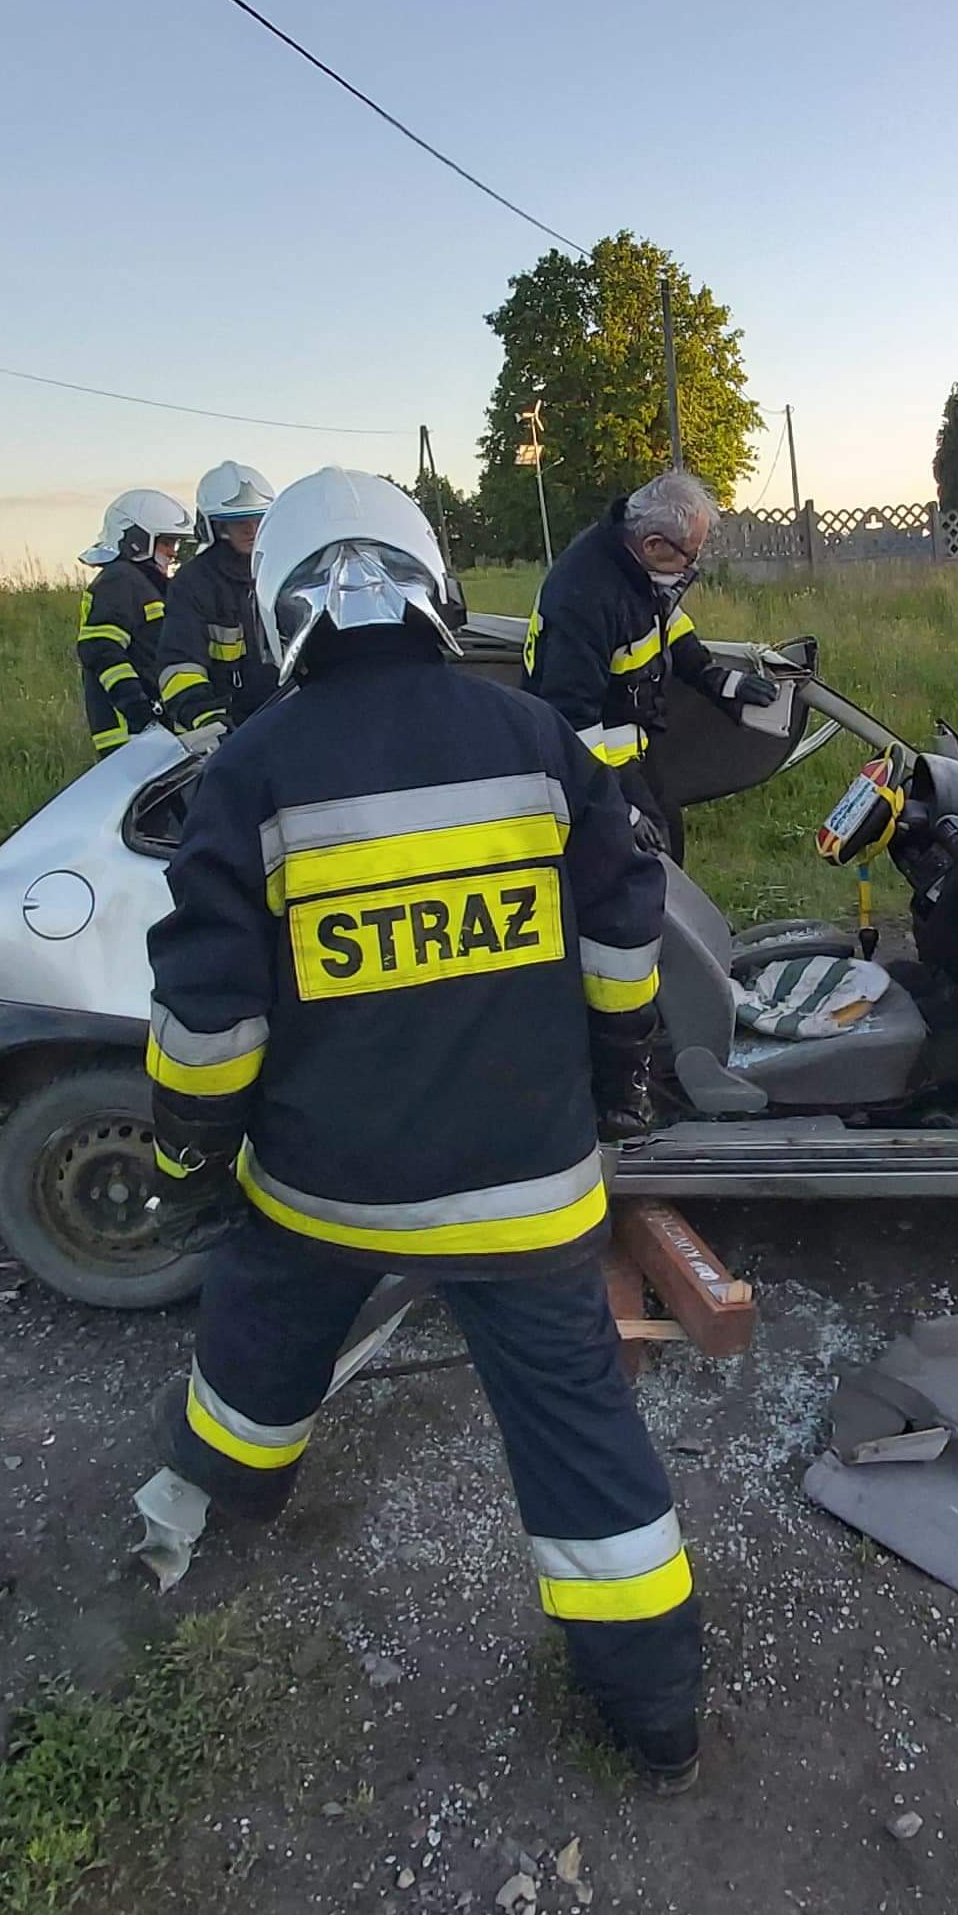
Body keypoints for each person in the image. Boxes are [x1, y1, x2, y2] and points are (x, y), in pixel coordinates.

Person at [138, 469, 701, 1785]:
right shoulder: (533, 739)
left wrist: (189, 1163)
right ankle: (659, 1717)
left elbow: (209, 1020)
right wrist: (622, 1071)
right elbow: (624, 936)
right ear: (433, 588)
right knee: (579, 1430)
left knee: (260, 1324)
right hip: (528, 1193)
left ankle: (232, 1492)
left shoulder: (251, 771)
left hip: (326, 1192)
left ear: (282, 611)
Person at [523, 466, 779, 859]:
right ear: (654, 545)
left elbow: (665, 622)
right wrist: (618, 808)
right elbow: (570, 719)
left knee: (669, 833)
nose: (690, 568)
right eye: (689, 556)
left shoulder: (629, 559)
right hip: (597, 761)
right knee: (650, 862)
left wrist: (721, 681)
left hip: (633, 745)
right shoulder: (584, 597)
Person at [153, 461, 280, 736]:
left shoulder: (282, 570)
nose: (251, 529)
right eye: (239, 521)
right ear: (216, 526)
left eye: (258, 519)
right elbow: (180, 665)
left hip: (284, 717)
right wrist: (208, 721)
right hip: (224, 728)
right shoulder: (194, 582)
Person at [74, 487, 190, 757]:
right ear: (137, 540)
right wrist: (138, 709)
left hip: (152, 732)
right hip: (131, 733)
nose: (172, 553)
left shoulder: (146, 584)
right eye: (166, 543)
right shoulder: (120, 579)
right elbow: (101, 648)